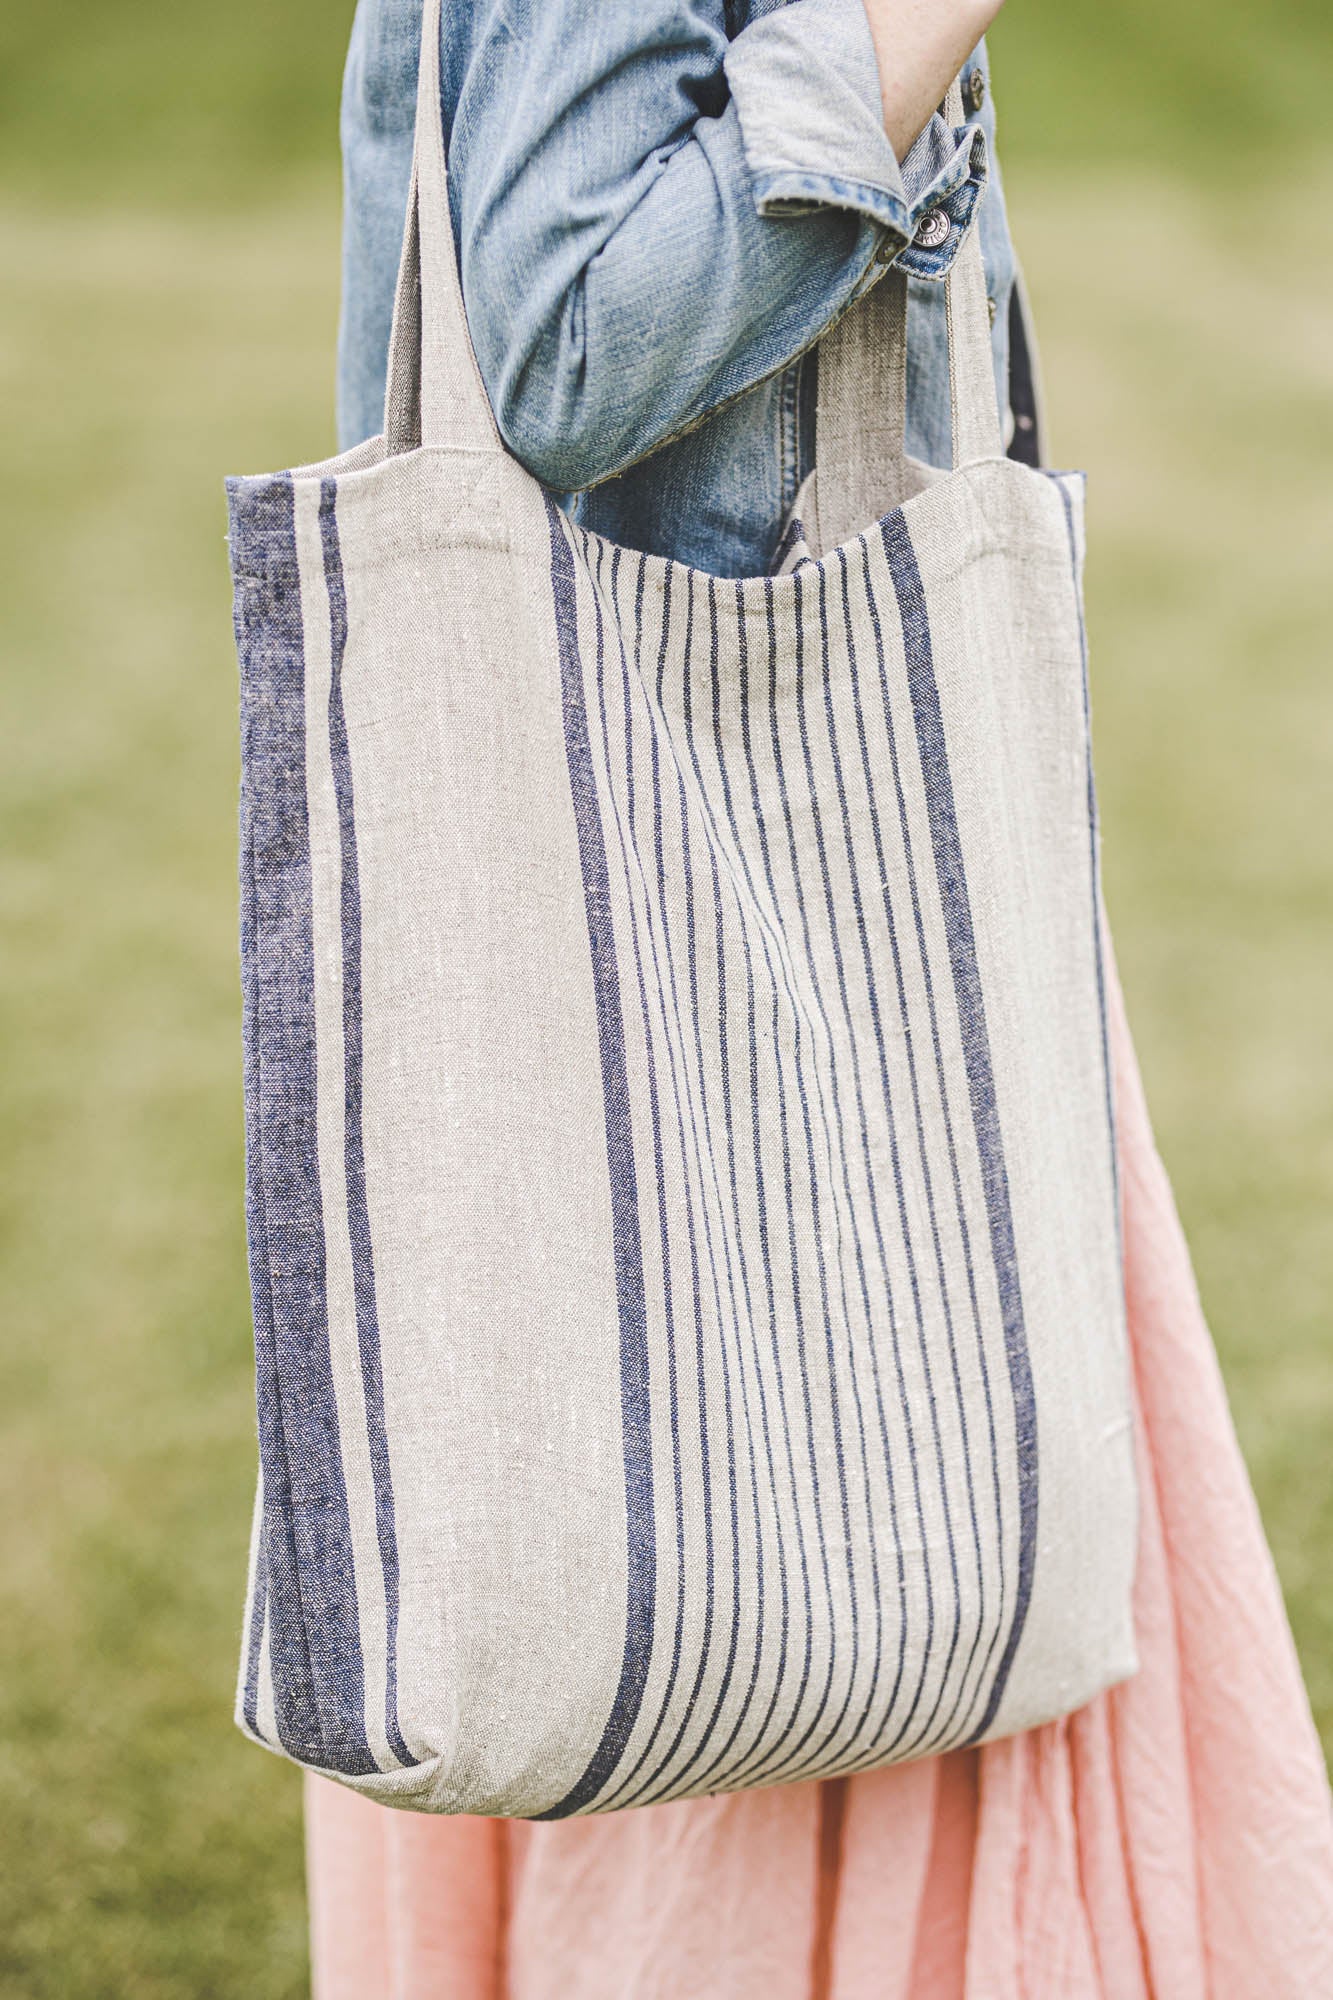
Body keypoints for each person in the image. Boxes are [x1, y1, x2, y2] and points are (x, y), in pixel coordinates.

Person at [306, 2, 1333, 1993]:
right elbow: (565, 347)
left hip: (859, 892)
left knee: (903, 1584)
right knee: (768, 1619)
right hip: (726, 964)